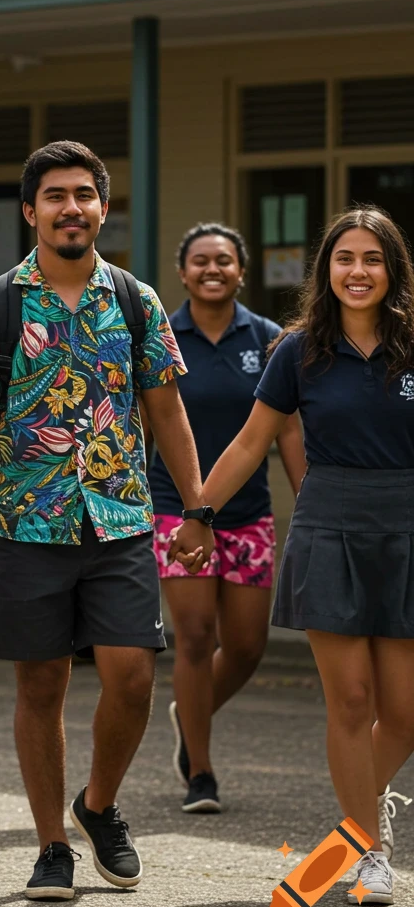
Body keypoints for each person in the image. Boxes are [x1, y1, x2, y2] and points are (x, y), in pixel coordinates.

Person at [0, 141, 213, 901]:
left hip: (120, 520)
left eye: (84, 195)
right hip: (25, 523)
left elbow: (168, 411)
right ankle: (51, 845)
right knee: (41, 687)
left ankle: (97, 804)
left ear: (102, 207)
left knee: (131, 676)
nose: (71, 208)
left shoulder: (135, 299)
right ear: (31, 211)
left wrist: (194, 508)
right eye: (55, 196)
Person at [172, 205, 414, 907]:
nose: (359, 271)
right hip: (330, 528)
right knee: (352, 700)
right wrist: (199, 514)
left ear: (392, 269)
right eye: (345, 259)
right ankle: (367, 851)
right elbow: (251, 443)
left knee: (402, 712)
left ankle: (357, 816)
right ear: (326, 270)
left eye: (372, 259)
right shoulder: (297, 349)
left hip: (406, 530)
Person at [148, 223, 307, 814]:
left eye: (224, 261)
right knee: (194, 638)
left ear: (241, 270)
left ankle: (190, 711)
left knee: (245, 647)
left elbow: (287, 428)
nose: (212, 270)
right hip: (176, 508)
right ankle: (202, 772)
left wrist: (308, 498)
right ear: (182, 272)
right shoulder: (161, 335)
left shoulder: (267, 338)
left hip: (248, 516)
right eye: (199, 262)